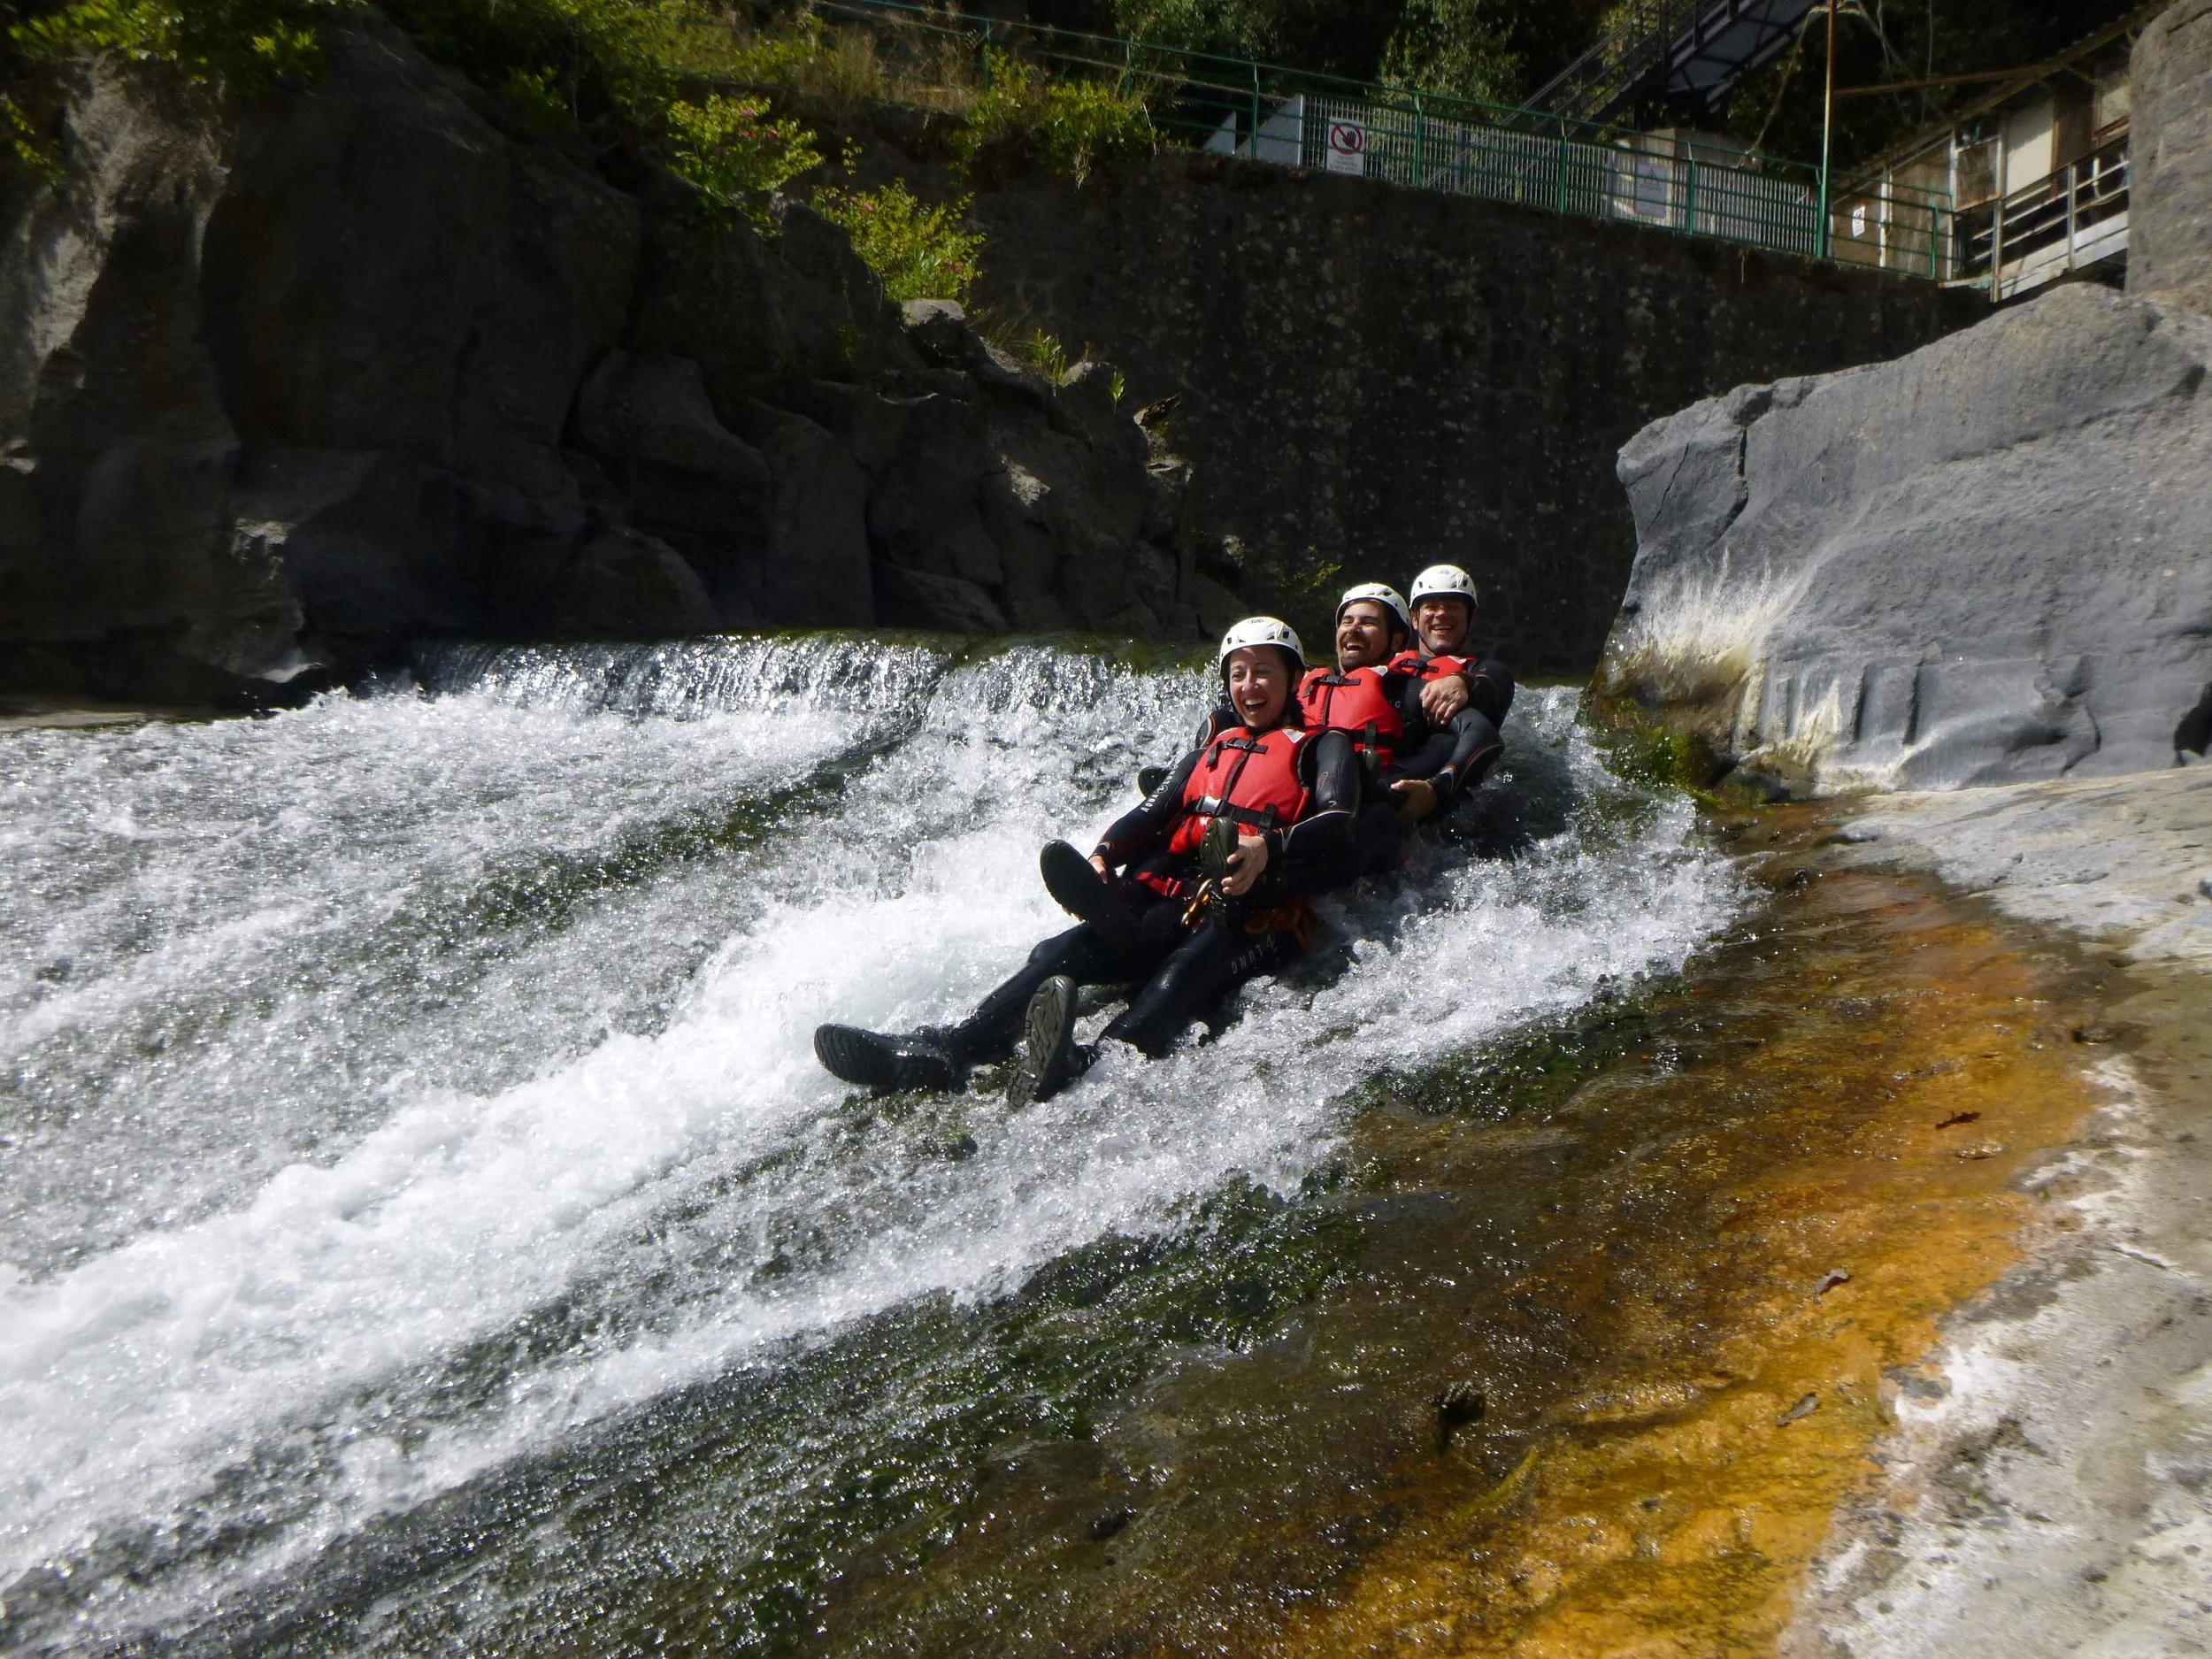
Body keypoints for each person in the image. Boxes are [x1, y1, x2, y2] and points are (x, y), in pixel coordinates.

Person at [814, 618, 1362, 1107]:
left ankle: (1090, 1062)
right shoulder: (1211, 749)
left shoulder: (1323, 746)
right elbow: (1148, 814)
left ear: (1294, 679)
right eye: (1238, 674)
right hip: (1174, 897)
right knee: (1059, 952)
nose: (1249, 685)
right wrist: (1103, 855)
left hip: (1250, 909)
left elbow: (1338, 820)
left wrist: (1269, 847)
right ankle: (953, 1047)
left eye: (1263, 672)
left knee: (1176, 977)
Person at [1393, 564, 1516, 741]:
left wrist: (1464, 682)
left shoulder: (1483, 671)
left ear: (1470, 619)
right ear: (1414, 618)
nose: (1442, 614)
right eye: (1431, 607)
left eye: (1452, 607)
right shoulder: (1387, 664)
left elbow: (1498, 680)